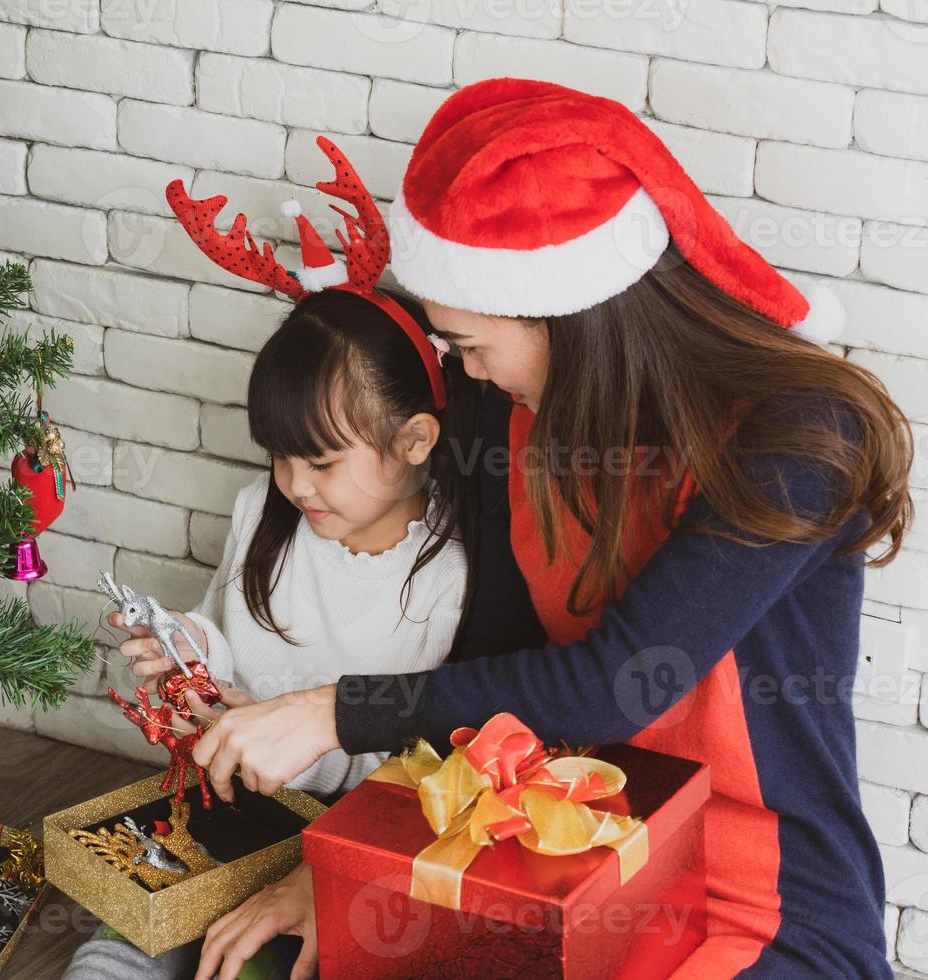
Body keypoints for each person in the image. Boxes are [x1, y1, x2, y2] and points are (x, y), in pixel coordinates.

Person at [191, 79, 915, 979]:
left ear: (565, 309)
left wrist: (331, 711)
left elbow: (616, 683)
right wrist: (343, 866)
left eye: (470, 344)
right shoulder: (511, 423)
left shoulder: (793, 436)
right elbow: (485, 672)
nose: (465, 373)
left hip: (752, 902)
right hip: (546, 856)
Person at [62, 139, 483, 979]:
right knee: (112, 956)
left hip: (344, 841)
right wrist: (189, 650)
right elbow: (231, 641)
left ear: (413, 441)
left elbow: (402, 766)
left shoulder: (443, 578)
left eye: (320, 462)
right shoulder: (268, 513)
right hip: (222, 819)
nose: (294, 483)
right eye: (279, 456)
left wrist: (268, 730)